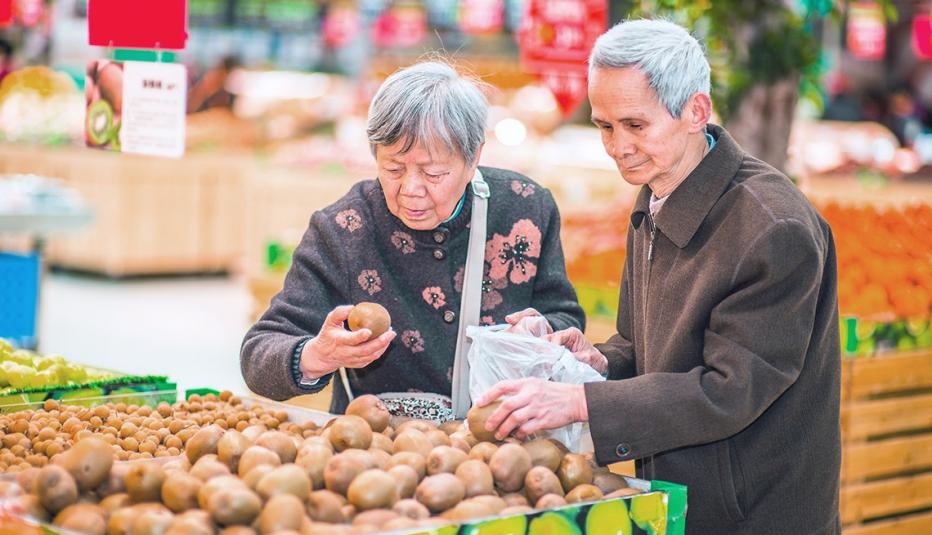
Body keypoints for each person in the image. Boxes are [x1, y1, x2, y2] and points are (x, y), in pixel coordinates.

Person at [477, 19, 841, 534]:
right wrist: (595, 361)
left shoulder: (772, 227)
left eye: (635, 125)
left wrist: (578, 401)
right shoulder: (658, 190)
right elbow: (643, 344)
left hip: (756, 514)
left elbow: (730, 389)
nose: (617, 146)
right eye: (604, 125)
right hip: (681, 498)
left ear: (696, 111)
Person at [241, 60, 585, 419]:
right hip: (377, 453)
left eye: (433, 172)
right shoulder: (343, 229)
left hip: (502, 444)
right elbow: (258, 355)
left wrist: (543, 332)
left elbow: (566, 317)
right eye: (393, 169)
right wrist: (315, 356)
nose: (411, 189)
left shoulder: (525, 208)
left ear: (474, 159)